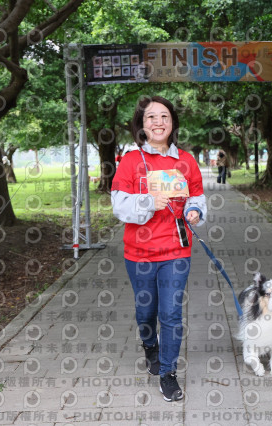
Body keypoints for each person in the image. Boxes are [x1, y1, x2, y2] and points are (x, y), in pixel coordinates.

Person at [110, 96, 206, 402]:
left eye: (164, 116)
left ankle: (168, 373)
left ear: (172, 122)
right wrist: (149, 202)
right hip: (138, 254)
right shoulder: (130, 161)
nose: (158, 122)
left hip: (176, 251)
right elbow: (118, 205)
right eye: (151, 117)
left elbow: (196, 196)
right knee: (146, 312)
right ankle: (149, 345)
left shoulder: (186, 161)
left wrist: (195, 211)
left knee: (171, 313)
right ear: (142, 124)